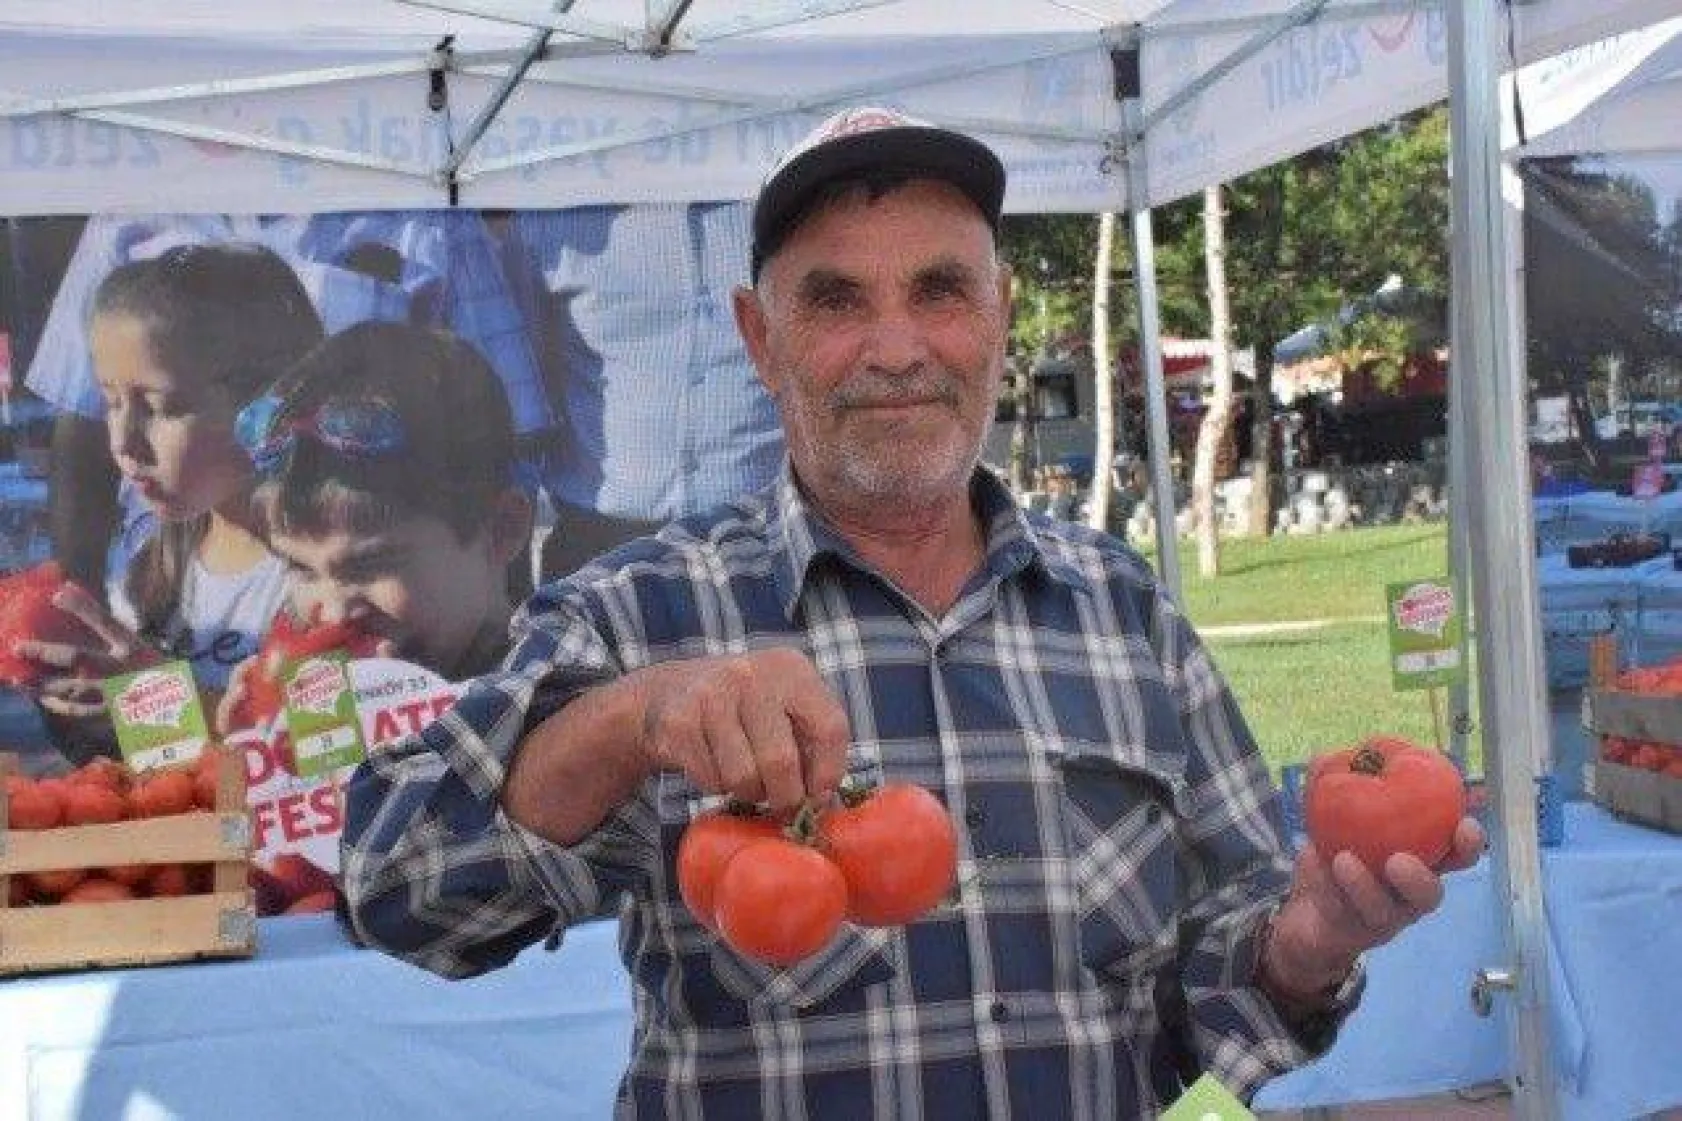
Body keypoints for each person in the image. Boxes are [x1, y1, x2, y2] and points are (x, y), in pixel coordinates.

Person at [342, 107, 1484, 1116]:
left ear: (999, 313)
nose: (895, 349)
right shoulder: (640, 612)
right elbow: (399, 892)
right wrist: (624, 721)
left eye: (938, 290)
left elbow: (1215, 987)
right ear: (757, 337)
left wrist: (1300, 949)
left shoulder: (1120, 608)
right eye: (835, 300)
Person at [22, 211, 556, 598]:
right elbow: (80, 418)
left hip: (360, 565)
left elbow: (503, 434)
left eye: (163, 405)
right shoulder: (125, 212)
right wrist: (76, 607)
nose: (127, 437)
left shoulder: (419, 214)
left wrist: (492, 617)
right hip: (168, 558)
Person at [14, 242, 325, 759]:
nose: (123, 440)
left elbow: (327, 753)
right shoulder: (144, 558)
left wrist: (153, 699)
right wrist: (85, 712)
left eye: (160, 407)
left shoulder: (330, 576)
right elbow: (157, 758)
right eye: (111, 401)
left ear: (269, 407)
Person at [216, 320, 533, 735]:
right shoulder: (320, 691)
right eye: (302, 568)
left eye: (370, 565)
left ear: (500, 530)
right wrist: (250, 758)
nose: (333, 613)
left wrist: (396, 744)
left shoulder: (548, 700)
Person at [500, 203, 784, 576]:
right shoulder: (554, 216)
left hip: (768, 541)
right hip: (599, 547)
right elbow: (522, 387)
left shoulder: (793, 206)